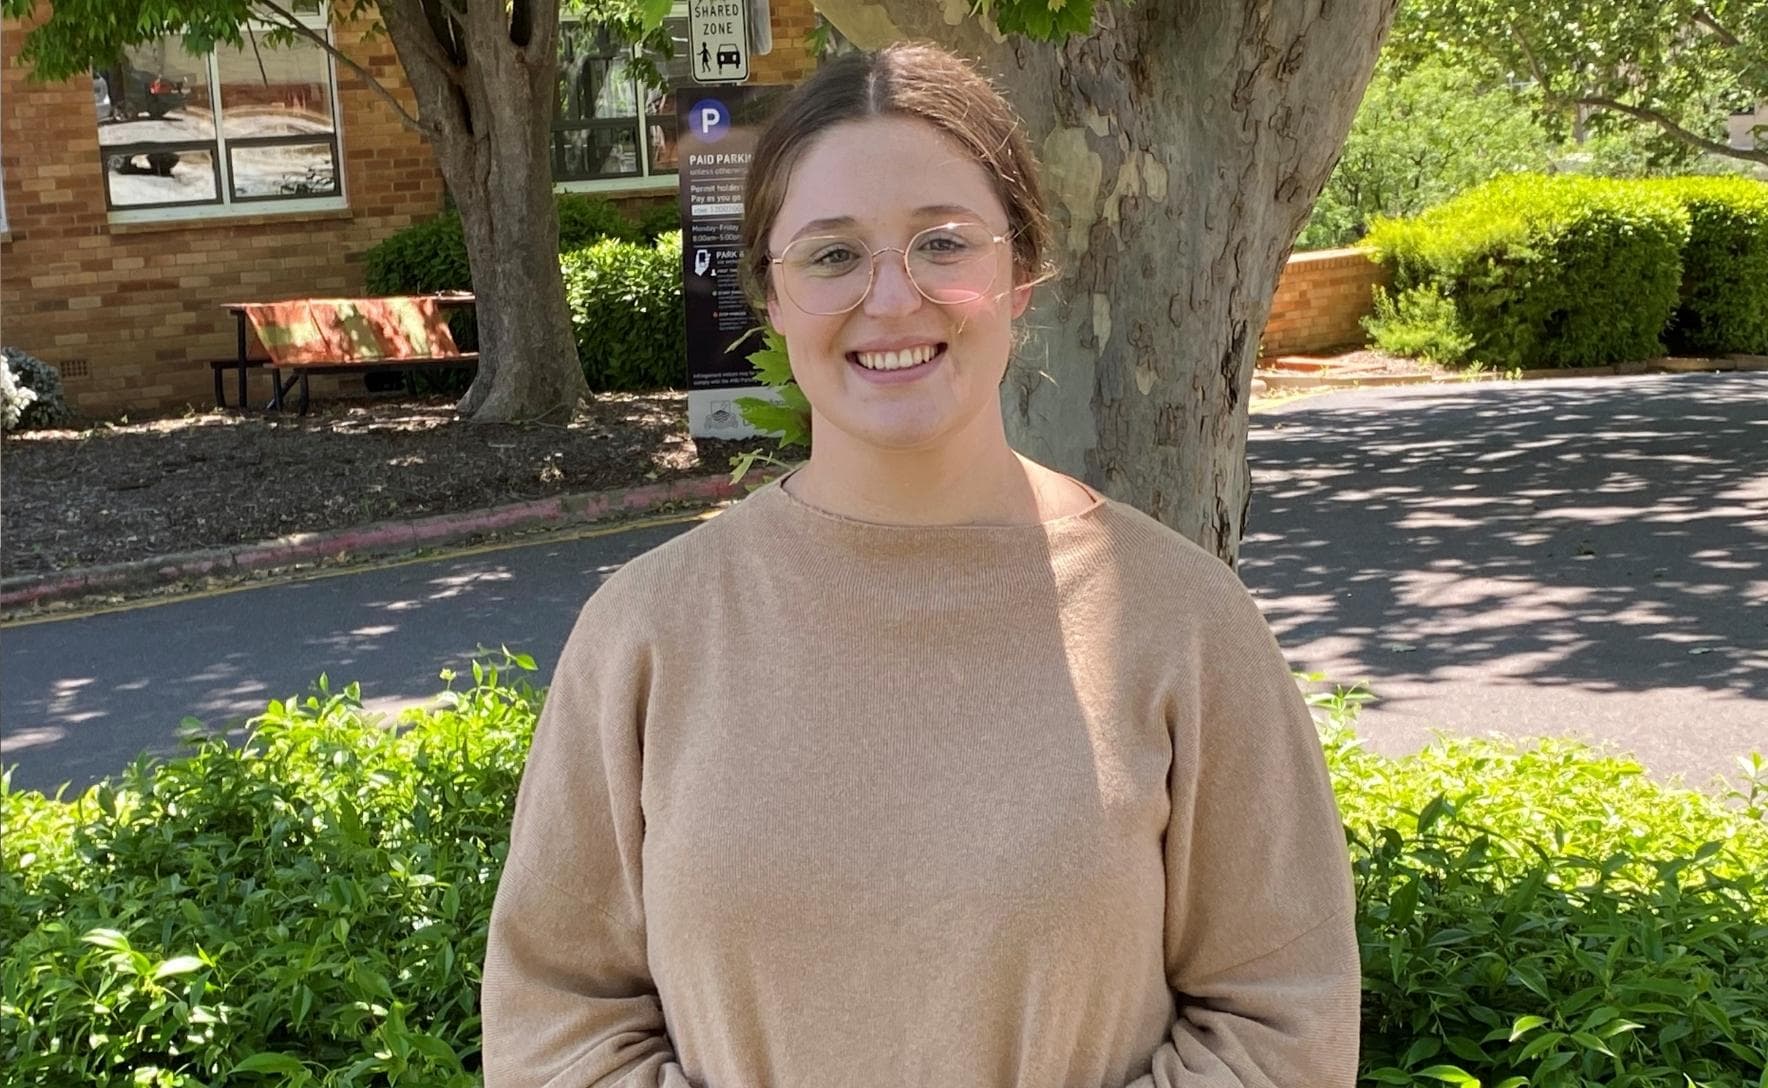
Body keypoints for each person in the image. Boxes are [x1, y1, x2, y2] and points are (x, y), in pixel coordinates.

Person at [481, 42, 1359, 1088]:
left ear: (1019, 271)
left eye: (943, 243)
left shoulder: (1181, 620)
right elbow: (555, 1018)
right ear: (769, 295)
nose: (892, 298)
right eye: (832, 255)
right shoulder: (648, 630)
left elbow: (1279, 1021)